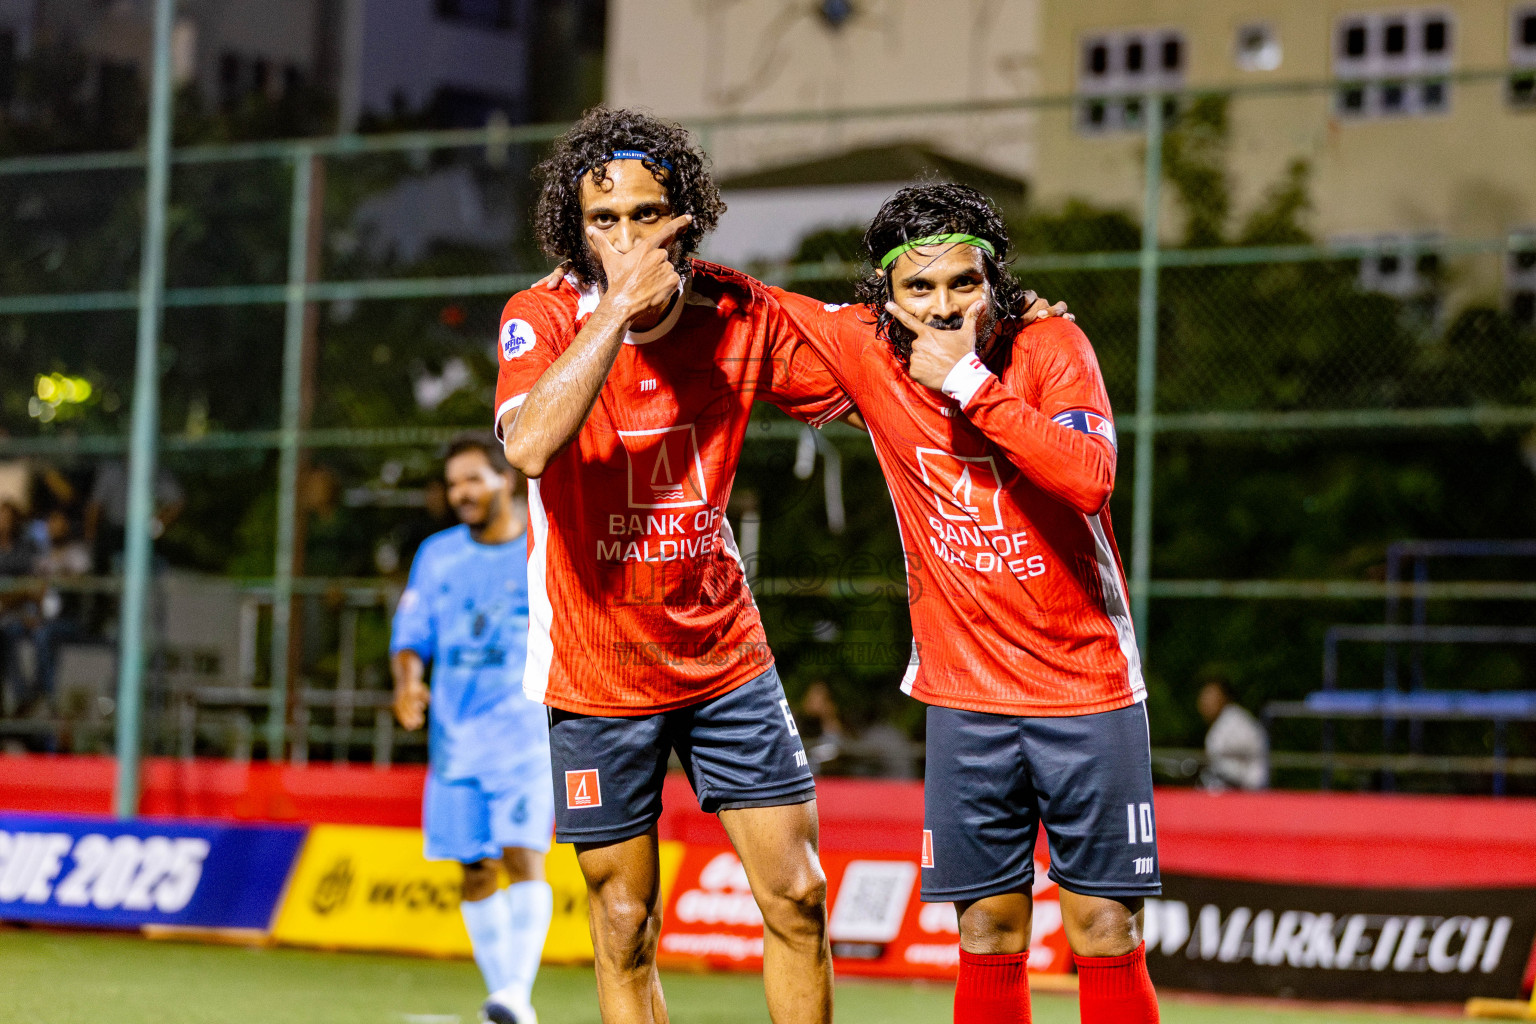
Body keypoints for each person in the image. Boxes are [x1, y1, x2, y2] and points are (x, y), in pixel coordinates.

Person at [494, 107, 855, 1024]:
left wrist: (1008, 327)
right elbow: (531, 444)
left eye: (646, 215)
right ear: (576, 231)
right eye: (603, 221)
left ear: (684, 215)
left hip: (724, 659)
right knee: (624, 922)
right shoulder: (540, 317)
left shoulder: (739, 312)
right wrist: (614, 307)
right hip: (595, 668)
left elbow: (876, 358)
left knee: (800, 898)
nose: (625, 237)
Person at [773, 183, 1161, 1023]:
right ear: (887, 299)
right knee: (985, 927)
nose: (943, 305)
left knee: (1103, 923)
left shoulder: (1053, 345)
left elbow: (1089, 479)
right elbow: (748, 313)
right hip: (964, 698)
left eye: (963, 282)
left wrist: (970, 384)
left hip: (1085, 686)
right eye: (919, 288)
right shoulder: (866, 348)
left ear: (995, 282)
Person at [390, 434, 554, 1024]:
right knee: (474, 868)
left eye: (473, 479)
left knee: (521, 857)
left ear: (505, 479)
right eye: (454, 482)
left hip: (526, 737)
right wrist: (408, 682)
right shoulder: (437, 555)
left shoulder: (542, 548)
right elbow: (411, 634)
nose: (461, 492)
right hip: (455, 743)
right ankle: (506, 998)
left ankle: (515, 995)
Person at [1197, 676, 1268, 791]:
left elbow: (1253, 747)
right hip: (1226, 786)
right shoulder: (1223, 721)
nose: (1205, 702)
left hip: (1244, 789)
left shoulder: (1237, 720)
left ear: (1224, 697)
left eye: (1211, 697)